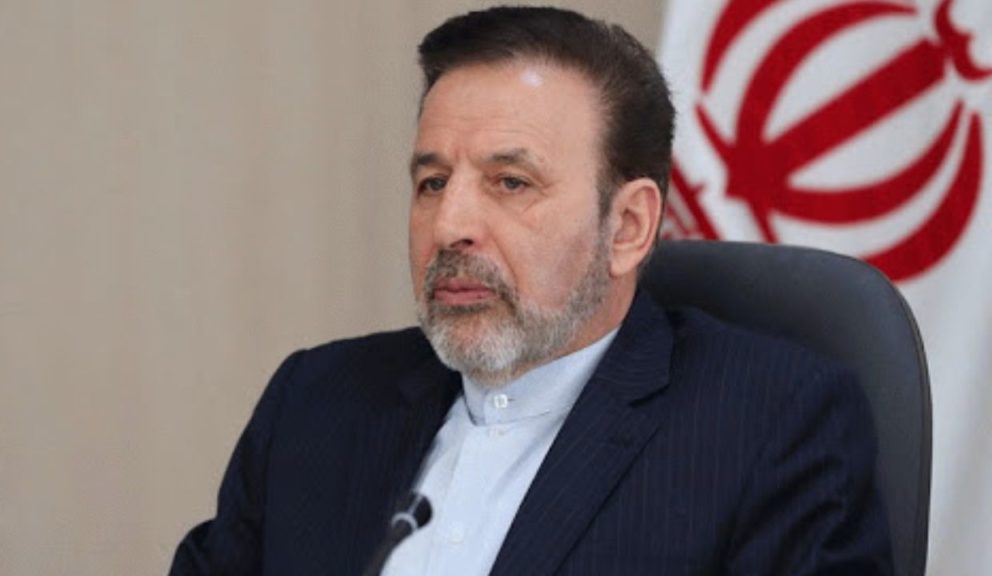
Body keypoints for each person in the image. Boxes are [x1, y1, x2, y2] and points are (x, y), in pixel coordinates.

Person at [170, 6, 891, 575]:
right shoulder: (316, 402)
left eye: (510, 183)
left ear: (628, 227)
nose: (450, 225)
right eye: (432, 183)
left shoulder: (772, 425)